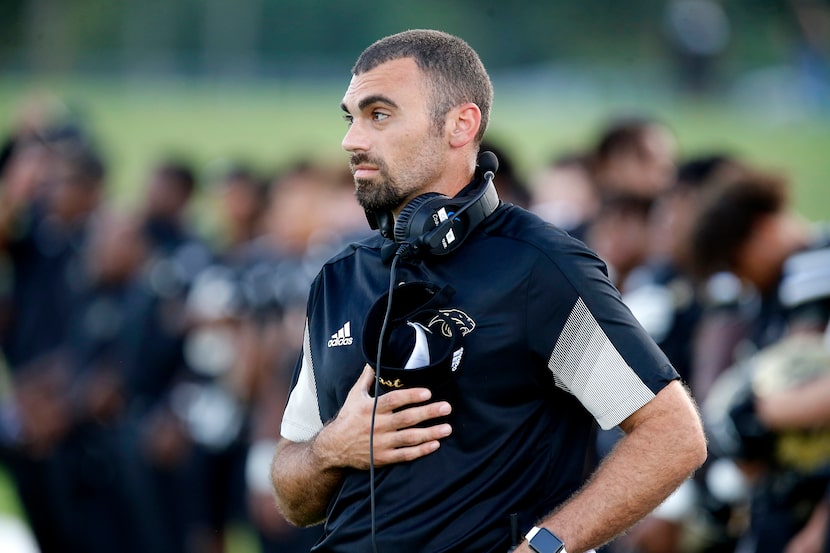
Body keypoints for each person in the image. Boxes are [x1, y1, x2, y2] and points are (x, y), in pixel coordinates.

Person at [270, 29, 707, 553]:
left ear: (461, 124)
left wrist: (545, 547)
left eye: (379, 115)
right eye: (351, 117)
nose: (352, 140)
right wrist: (328, 450)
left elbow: (672, 434)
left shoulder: (539, 268)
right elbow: (294, 497)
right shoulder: (338, 277)